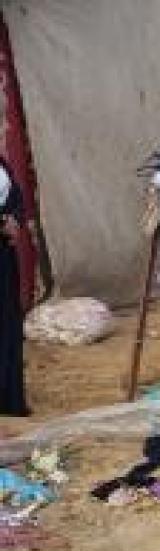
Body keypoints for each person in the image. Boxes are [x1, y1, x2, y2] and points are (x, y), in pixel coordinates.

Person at [0, 159, 29, 417]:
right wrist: (3, 222)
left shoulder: (3, 165)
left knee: (8, 323)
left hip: (5, 258)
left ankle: (9, 398)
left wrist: (16, 220)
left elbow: (18, 198)